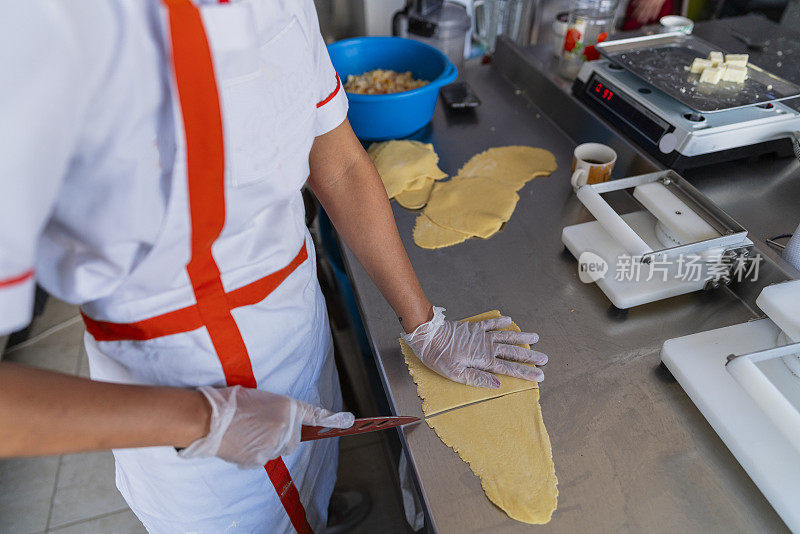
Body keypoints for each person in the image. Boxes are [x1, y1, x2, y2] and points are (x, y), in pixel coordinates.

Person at [0, 1, 548, 532]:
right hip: (174, 412)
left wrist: (425, 325)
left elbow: (337, 164)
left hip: (296, 335)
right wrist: (204, 420)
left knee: (315, 482)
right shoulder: (36, 28)